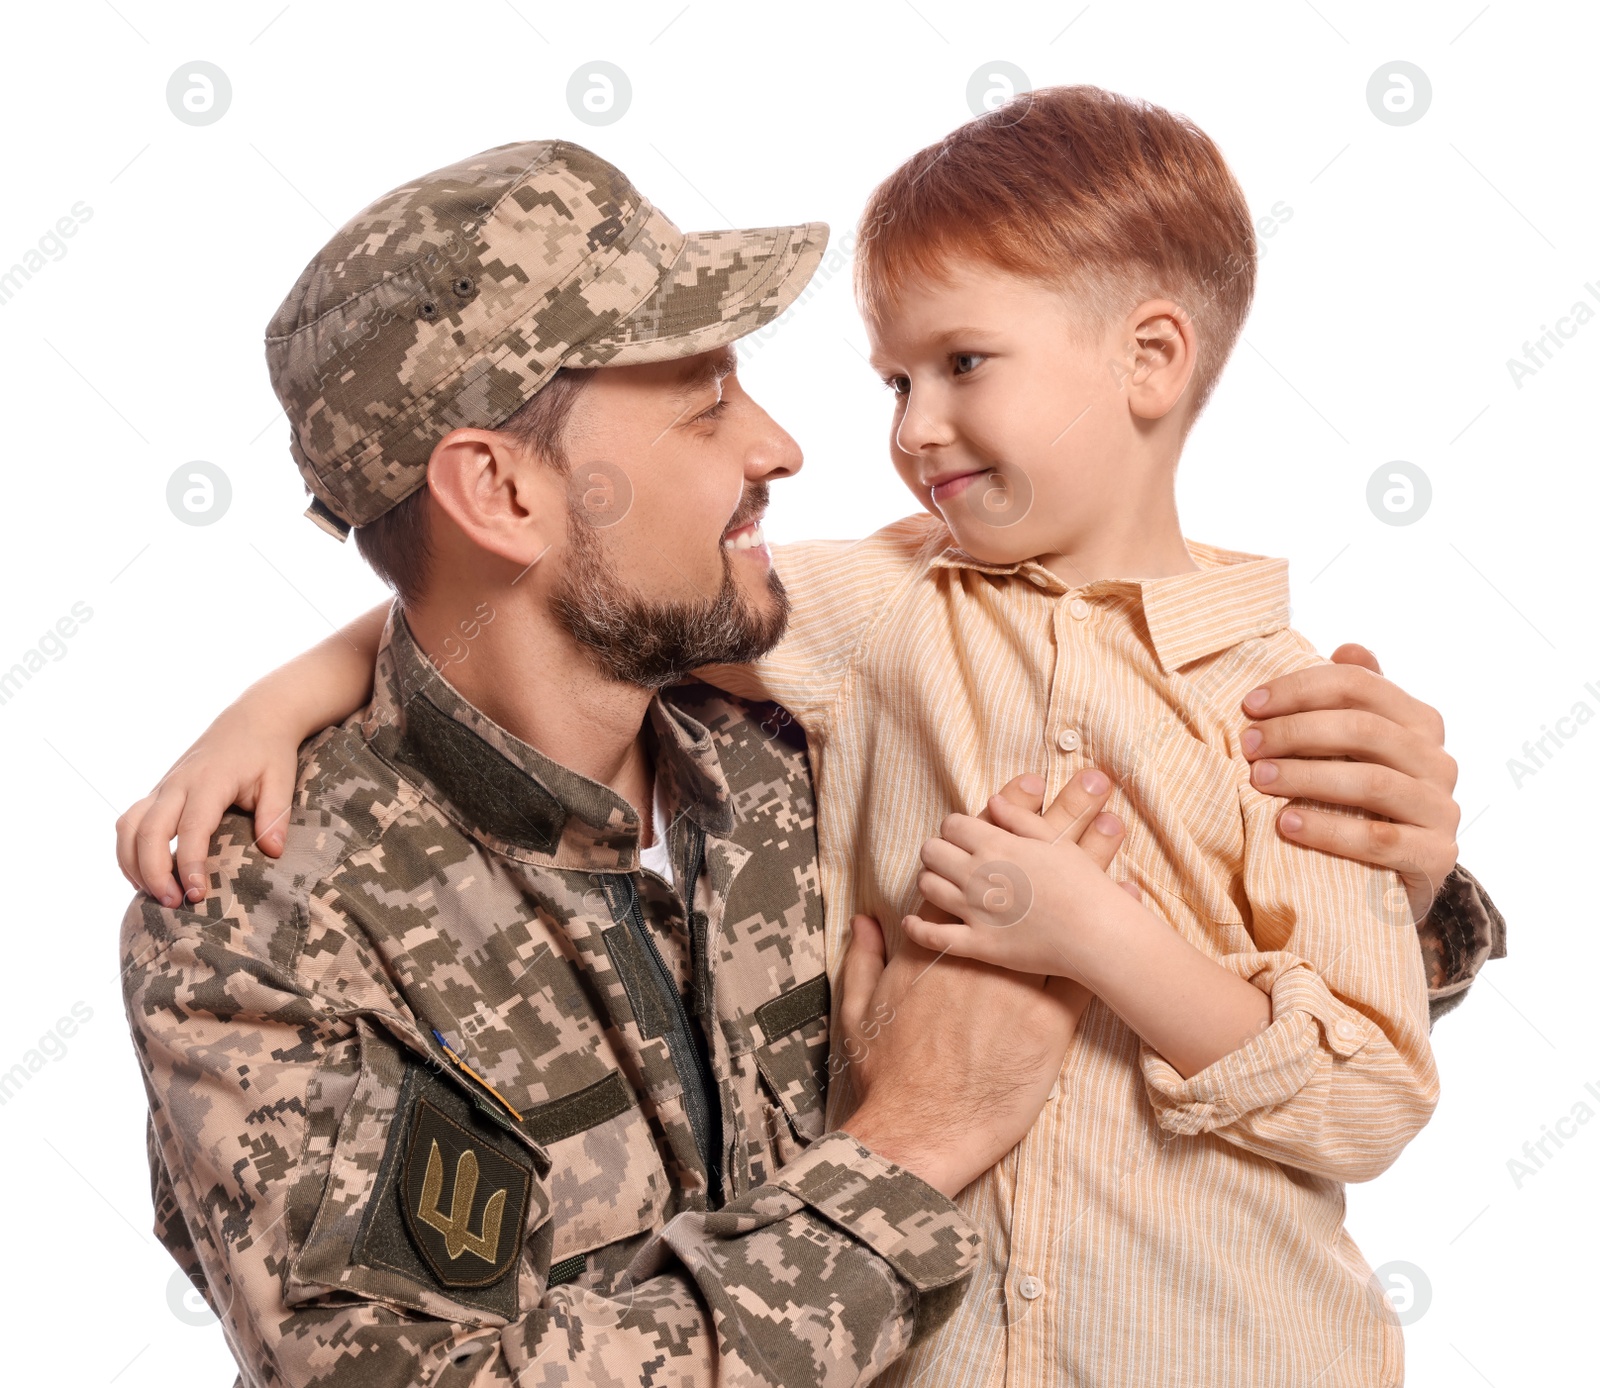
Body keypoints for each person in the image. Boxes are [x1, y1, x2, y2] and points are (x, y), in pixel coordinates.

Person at [119, 108, 1506, 1386]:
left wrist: (1393, 873)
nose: (788, 447)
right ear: (499, 488)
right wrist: (911, 1146)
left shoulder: (797, 731)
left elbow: (1236, 1023)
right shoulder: (266, 914)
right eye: (705, 399)